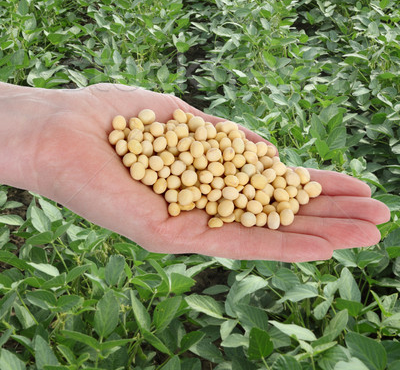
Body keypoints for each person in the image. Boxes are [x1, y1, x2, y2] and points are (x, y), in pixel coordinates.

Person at [0, 81, 390, 262]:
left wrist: (40, 124)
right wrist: (43, 130)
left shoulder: (222, 174)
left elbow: (215, 179)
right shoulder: (154, 145)